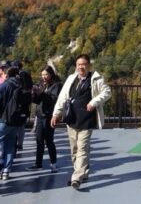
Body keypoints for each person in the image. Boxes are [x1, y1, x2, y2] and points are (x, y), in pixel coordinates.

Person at [52, 54, 112, 190]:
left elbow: (107, 92)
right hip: (72, 119)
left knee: (82, 149)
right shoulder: (71, 79)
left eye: (83, 64)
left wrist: (93, 102)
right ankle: (82, 173)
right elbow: (62, 97)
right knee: (74, 150)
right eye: (78, 64)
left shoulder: (96, 78)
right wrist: (56, 114)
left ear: (89, 65)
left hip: (87, 120)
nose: (81, 67)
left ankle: (76, 178)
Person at [29, 66, 61, 172]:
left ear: (51, 74)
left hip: (49, 115)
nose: (44, 77)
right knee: (39, 140)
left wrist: (42, 93)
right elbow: (37, 101)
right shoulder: (41, 84)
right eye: (42, 74)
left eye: (46, 74)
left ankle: (53, 163)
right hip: (40, 114)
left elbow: (54, 99)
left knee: (49, 140)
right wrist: (34, 93)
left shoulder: (56, 85)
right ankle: (38, 163)